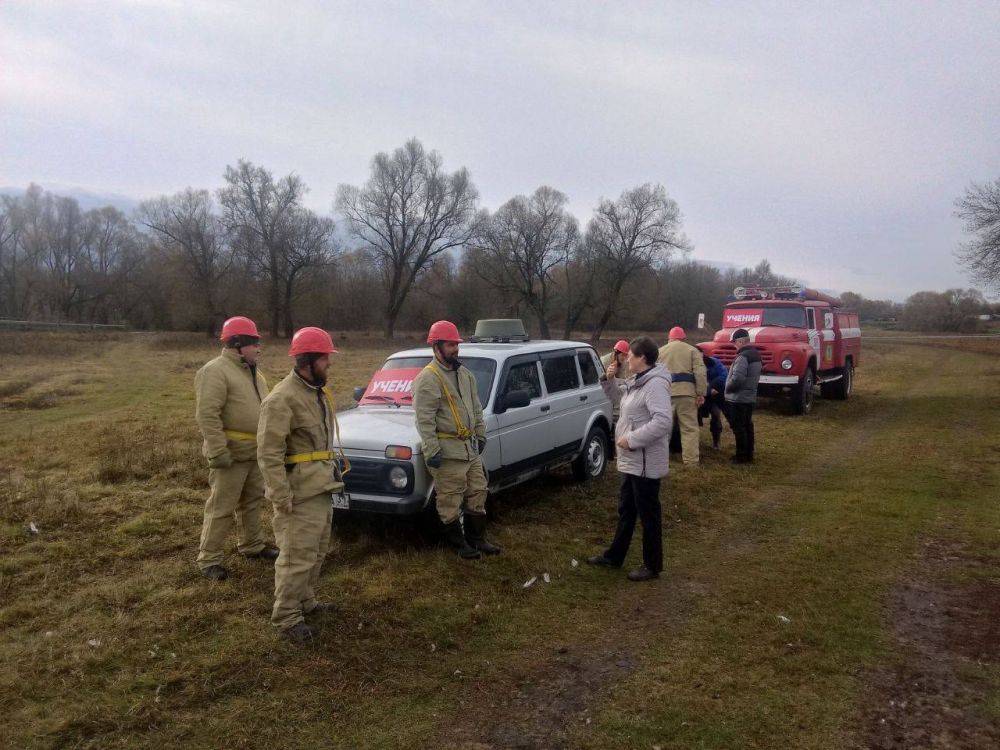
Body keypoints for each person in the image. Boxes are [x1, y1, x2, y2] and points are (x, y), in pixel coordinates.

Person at [257, 327, 347, 643]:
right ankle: (286, 616)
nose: (329, 364)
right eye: (324, 358)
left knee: (318, 550)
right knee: (296, 556)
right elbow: (268, 454)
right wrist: (280, 497)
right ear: (307, 360)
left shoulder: (315, 393)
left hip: (321, 486)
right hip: (298, 493)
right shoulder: (281, 399)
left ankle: (306, 601)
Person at [193, 316, 278, 581]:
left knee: (252, 501)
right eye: (253, 342)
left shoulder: (255, 373)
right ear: (237, 343)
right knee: (221, 506)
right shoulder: (214, 371)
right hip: (230, 454)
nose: (258, 347)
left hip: (255, 452)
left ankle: (252, 545)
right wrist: (218, 451)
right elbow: (207, 414)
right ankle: (209, 560)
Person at [587, 336, 672, 582]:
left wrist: (632, 439)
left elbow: (663, 422)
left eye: (631, 356)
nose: (627, 359)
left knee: (648, 515)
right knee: (627, 510)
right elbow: (619, 398)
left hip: (645, 462)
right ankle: (614, 557)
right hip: (632, 461)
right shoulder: (638, 381)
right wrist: (609, 379)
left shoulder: (654, 385)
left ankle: (652, 565)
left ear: (642, 358)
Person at [412, 320, 498, 560]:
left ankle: (477, 539)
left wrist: (480, 434)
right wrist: (432, 451)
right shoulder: (427, 379)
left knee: (478, 490)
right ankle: (457, 544)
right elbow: (424, 420)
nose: (455, 349)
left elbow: (476, 409)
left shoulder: (465, 375)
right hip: (448, 451)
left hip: (470, 449)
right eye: (450, 344)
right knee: (450, 498)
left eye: (456, 344)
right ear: (436, 346)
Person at [658, 326, 707, 465]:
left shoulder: (660, 351)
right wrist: (701, 393)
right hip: (687, 393)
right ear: (683, 338)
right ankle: (691, 461)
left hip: (665, 394)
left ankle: (660, 458)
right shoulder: (693, 350)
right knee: (689, 428)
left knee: (663, 428)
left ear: (670, 338)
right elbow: (700, 373)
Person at [724, 328, 762, 464]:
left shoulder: (742, 357)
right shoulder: (756, 355)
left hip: (738, 398)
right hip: (749, 397)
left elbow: (738, 378)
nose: (734, 345)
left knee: (738, 427)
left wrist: (727, 387)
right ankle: (748, 454)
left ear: (740, 341)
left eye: (735, 342)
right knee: (747, 426)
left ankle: (741, 457)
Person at [699, 353, 729, 450]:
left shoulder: (714, 362)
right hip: (698, 395)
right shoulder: (691, 364)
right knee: (692, 418)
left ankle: (716, 442)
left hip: (714, 396)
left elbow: (724, 376)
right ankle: (693, 441)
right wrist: (708, 390)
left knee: (716, 415)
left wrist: (711, 386)